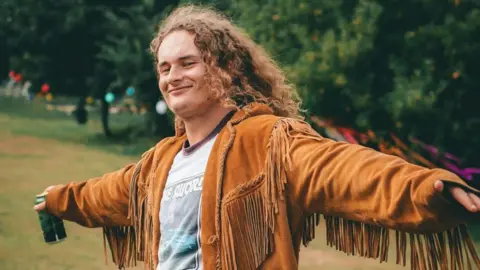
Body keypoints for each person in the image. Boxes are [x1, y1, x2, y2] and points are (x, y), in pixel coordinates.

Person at [34, 5, 480, 270]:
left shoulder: (268, 140)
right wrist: (58, 199)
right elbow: (107, 195)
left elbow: (343, 169)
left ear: (225, 68)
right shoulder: (160, 161)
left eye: (188, 63)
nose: (172, 77)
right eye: (164, 68)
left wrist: (425, 188)